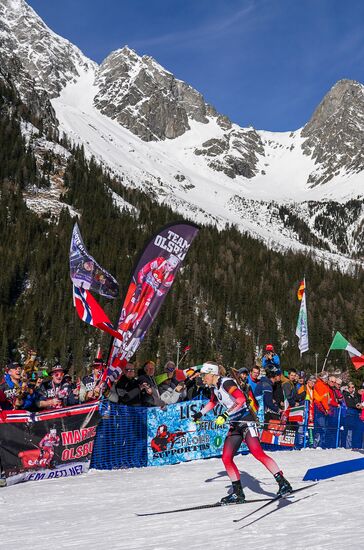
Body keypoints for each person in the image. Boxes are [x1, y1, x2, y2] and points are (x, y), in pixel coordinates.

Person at [192, 362, 292, 504]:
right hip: (235, 425)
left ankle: (283, 483)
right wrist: (200, 414)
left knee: (258, 453)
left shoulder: (226, 383)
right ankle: (238, 493)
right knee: (226, 457)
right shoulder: (215, 388)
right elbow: (213, 403)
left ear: (212, 373)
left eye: (204, 375)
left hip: (246, 421)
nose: (203, 378)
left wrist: (225, 415)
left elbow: (240, 399)